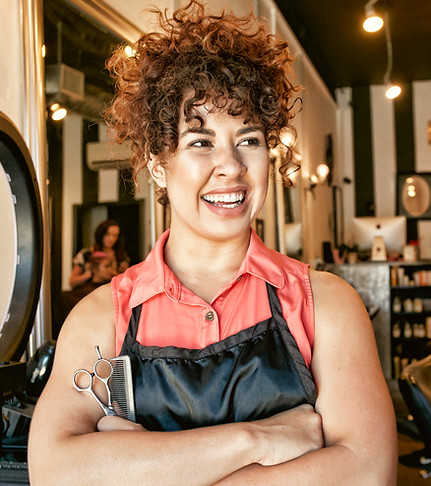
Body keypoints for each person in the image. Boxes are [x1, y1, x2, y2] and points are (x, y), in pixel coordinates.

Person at [28, 2, 397, 484]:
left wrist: (149, 467)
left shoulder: (325, 304)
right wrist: (258, 440)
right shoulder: (103, 316)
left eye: (249, 140)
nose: (232, 166)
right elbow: (54, 472)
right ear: (159, 164)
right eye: (201, 143)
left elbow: (369, 473)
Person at [53, 252, 115, 339]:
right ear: (95, 269)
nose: (110, 270)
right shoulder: (83, 291)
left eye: (111, 266)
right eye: (106, 266)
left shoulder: (111, 288)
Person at [69, 219, 129, 288]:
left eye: (115, 235)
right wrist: (91, 273)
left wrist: (116, 275)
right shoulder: (86, 254)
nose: (111, 239)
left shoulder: (121, 256)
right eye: (108, 234)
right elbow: (72, 282)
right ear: (101, 234)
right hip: (90, 292)